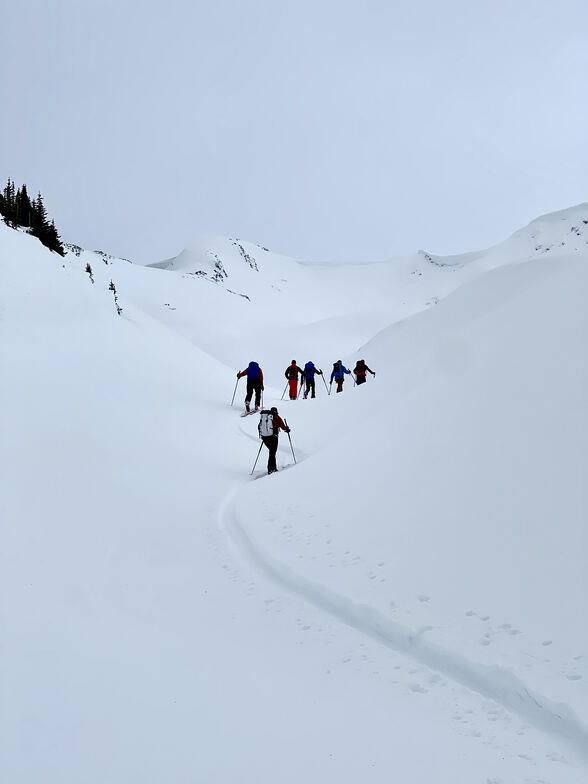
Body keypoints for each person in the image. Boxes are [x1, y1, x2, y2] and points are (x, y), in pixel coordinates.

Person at [258, 406, 290, 474]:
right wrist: (287, 429)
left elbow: (259, 426)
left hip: (265, 437)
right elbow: (283, 427)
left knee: (271, 452)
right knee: (272, 452)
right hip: (273, 437)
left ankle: (271, 468)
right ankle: (272, 469)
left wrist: (263, 434)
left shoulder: (265, 418)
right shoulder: (277, 417)